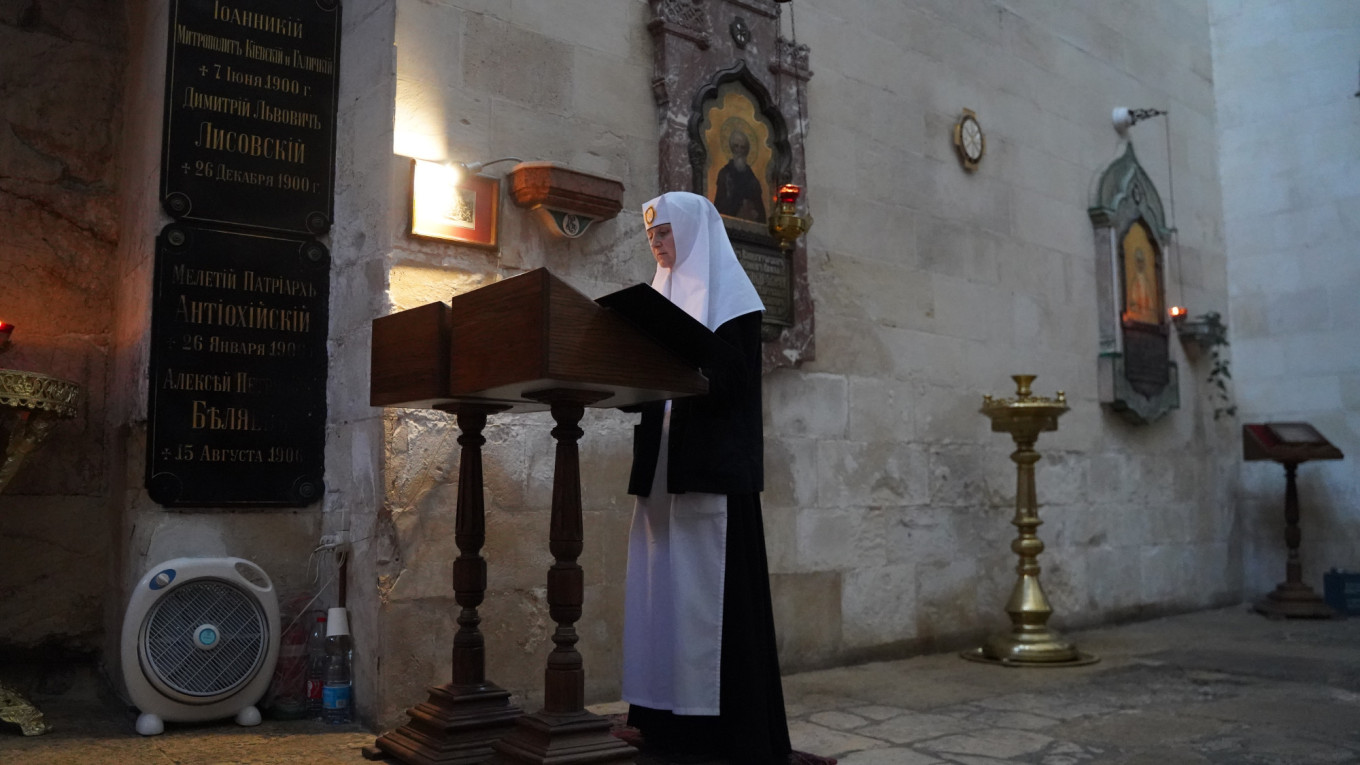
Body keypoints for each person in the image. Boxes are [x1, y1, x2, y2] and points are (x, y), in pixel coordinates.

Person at [621, 191, 792, 764]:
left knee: (707, 600)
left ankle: (721, 731)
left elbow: (735, 384)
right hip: (664, 472)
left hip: (710, 475)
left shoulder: (734, 300)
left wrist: (687, 354)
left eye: (665, 234)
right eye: (652, 237)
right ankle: (658, 719)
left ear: (693, 232)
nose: (658, 245)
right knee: (659, 594)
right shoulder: (659, 296)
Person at [713, 129, 768, 223]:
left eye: (742, 147)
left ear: (746, 150)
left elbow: (760, 210)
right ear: (732, 148)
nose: (739, 150)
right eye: (736, 146)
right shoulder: (724, 174)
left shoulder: (752, 180)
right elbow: (719, 205)